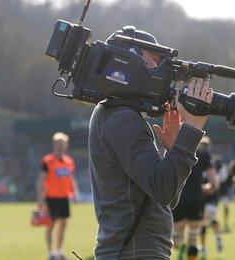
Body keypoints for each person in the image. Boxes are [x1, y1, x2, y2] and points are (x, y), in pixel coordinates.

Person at [88, 26, 214, 260]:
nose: (159, 69)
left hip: (137, 251)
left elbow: (165, 198)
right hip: (135, 253)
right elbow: (163, 190)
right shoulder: (122, 117)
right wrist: (193, 129)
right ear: (130, 58)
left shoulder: (118, 114)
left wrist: (173, 151)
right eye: (154, 60)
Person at [37, 132, 79, 260]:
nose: (61, 146)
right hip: (51, 197)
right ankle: (50, 252)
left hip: (64, 197)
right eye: (58, 143)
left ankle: (59, 250)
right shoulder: (47, 161)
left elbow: (71, 178)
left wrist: (75, 192)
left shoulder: (69, 161)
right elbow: (41, 180)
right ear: (53, 144)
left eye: (63, 143)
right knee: (50, 225)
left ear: (66, 145)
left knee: (63, 225)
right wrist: (40, 198)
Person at [172, 136, 214, 260]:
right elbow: (213, 181)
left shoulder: (175, 150)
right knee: (193, 237)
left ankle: (183, 248)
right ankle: (188, 249)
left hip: (180, 198)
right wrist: (208, 188)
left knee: (176, 238)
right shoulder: (203, 153)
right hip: (197, 198)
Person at [200, 154, 224, 255]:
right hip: (213, 203)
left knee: (202, 225)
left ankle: (203, 248)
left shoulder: (200, 172)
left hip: (204, 203)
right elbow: (216, 186)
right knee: (213, 221)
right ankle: (218, 237)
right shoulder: (215, 174)